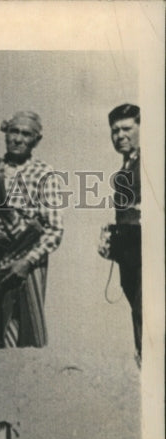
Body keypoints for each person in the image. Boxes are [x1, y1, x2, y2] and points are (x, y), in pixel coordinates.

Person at [0, 112, 64, 348]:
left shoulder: (44, 174)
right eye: (14, 132)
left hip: (26, 258)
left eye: (26, 134)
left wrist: (27, 262)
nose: (19, 139)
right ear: (6, 134)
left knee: (24, 327)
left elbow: (53, 229)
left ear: (36, 140)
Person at [99, 104, 141, 362]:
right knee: (139, 312)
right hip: (131, 254)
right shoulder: (128, 165)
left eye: (127, 128)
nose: (120, 135)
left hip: (149, 253)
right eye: (114, 130)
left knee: (146, 312)